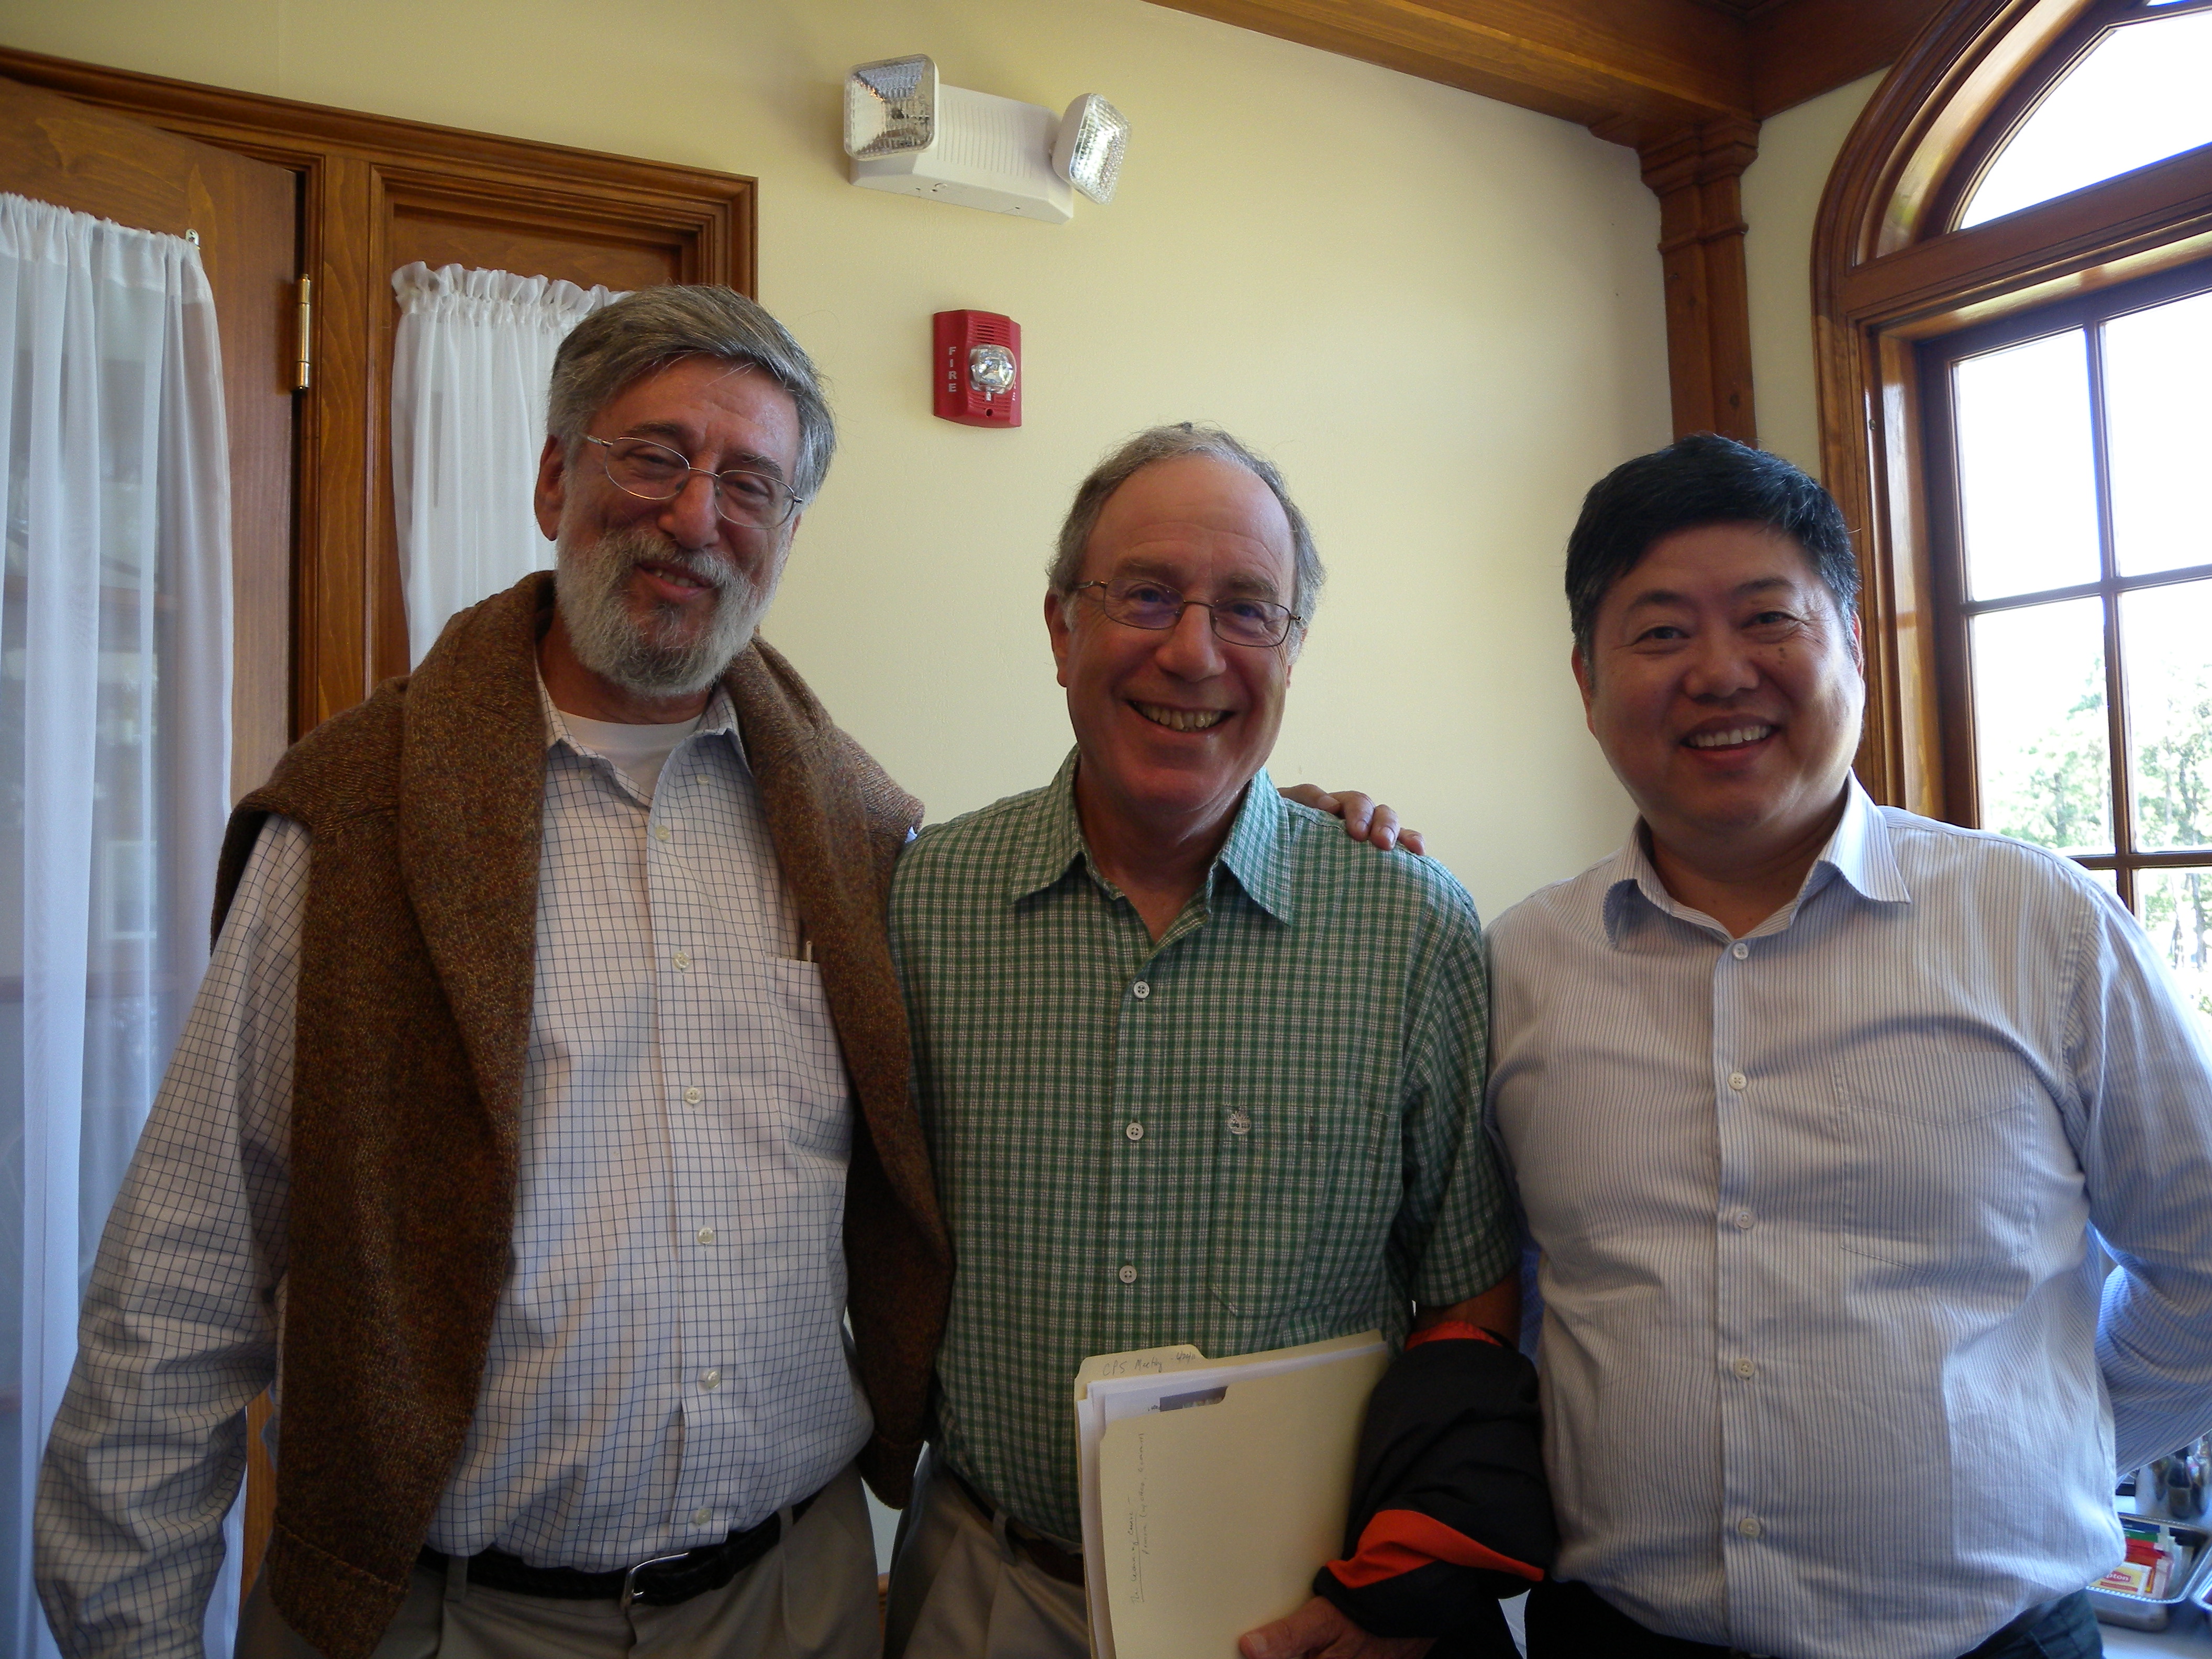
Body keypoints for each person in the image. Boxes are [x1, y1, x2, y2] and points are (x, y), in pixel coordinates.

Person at [35, 286, 952, 1659]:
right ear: (552, 479)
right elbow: (185, 1274)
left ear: (787, 534)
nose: (696, 516)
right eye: (653, 456)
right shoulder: (355, 821)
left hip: (794, 1603)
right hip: (441, 1619)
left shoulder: (863, 836)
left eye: (749, 484)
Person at [1487, 433, 2212, 1659]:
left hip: (1989, 1644)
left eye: (1768, 618)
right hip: (1617, 1637)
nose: (1720, 672)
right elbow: (1500, 1301)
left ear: (1855, 646)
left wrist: (2051, 1427)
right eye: (1660, 632)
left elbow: (2200, 1258)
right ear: (1586, 680)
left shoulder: (2041, 924)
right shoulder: (1520, 964)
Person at [883, 425, 1552, 1659]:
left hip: (1298, 1606)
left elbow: (1470, 1290)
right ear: (1060, 628)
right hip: (991, 1589)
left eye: (1248, 609)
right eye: (1144, 594)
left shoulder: (1410, 930)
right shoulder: (924, 904)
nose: (1193, 652)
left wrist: (1395, 1587)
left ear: (1291, 651)